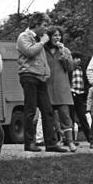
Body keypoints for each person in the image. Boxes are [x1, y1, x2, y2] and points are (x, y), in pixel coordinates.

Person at [15, 12, 67, 153]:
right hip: (29, 76)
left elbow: (42, 60)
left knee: (48, 110)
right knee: (30, 110)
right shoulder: (24, 36)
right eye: (44, 25)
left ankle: (51, 143)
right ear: (36, 24)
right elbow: (30, 52)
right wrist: (43, 42)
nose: (46, 28)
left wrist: (47, 72)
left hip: (40, 78)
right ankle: (29, 143)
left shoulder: (39, 38)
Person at [44, 26, 76, 152]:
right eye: (54, 35)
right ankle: (53, 141)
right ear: (49, 37)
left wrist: (64, 54)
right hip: (47, 88)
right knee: (49, 117)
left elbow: (70, 68)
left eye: (59, 35)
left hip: (62, 88)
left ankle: (70, 142)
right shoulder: (43, 50)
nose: (57, 38)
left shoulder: (65, 50)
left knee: (65, 116)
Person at [70, 52, 91, 143]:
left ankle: (90, 137)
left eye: (79, 58)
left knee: (83, 117)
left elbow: (85, 82)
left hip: (80, 95)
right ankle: (70, 139)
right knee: (70, 118)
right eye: (76, 58)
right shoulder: (69, 69)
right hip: (71, 94)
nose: (78, 60)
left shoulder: (82, 69)